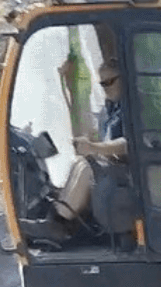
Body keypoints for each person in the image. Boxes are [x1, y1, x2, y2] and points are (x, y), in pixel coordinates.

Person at [56, 59, 126, 225]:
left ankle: (61, 222)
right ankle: (57, 213)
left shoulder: (133, 107)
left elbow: (129, 144)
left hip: (132, 171)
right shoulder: (108, 109)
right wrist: (71, 88)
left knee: (87, 169)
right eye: (102, 84)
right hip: (112, 167)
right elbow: (90, 134)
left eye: (109, 82)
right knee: (81, 162)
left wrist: (94, 148)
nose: (105, 88)